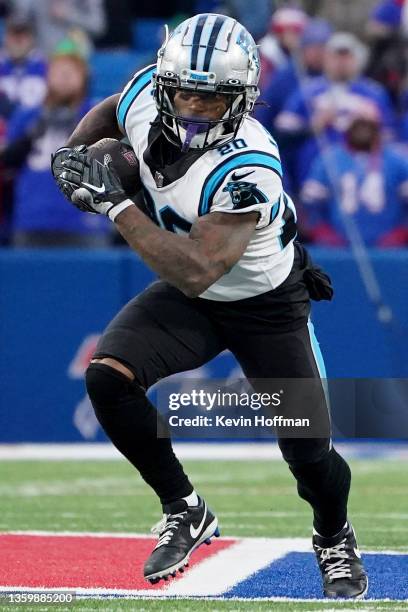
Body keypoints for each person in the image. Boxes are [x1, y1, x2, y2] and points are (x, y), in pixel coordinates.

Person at [51, 13, 368, 598]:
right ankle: (185, 507)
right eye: (185, 92)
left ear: (242, 98)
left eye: (210, 97)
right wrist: (74, 155)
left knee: (309, 453)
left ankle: (335, 536)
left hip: (262, 301)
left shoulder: (249, 165)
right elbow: (114, 107)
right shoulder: (150, 93)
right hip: (195, 291)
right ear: (167, 83)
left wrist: (116, 205)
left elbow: (198, 270)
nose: (194, 107)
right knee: (108, 377)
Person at [5, 53, 110, 246]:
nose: (64, 76)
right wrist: (32, 134)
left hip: (84, 218)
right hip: (33, 216)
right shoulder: (27, 116)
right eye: (59, 70)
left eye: (71, 71)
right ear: (47, 76)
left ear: (84, 77)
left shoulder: (97, 113)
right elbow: (8, 163)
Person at [275, 31, 395, 193]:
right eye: (336, 57)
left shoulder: (374, 93)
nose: (341, 63)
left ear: (357, 60)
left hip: (362, 179)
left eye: (347, 57)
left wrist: (371, 126)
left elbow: (391, 139)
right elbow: (282, 135)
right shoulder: (307, 91)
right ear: (326, 59)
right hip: (312, 173)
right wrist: (313, 126)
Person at [301, 110, 408, 247]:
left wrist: (401, 232)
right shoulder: (329, 159)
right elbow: (310, 206)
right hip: (340, 251)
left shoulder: (397, 160)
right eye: (357, 121)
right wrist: (323, 232)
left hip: (389, 251)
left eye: (366, 121)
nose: (362, 127)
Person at [0, 16, 47, 109]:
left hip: (35, 121)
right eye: (14, 34)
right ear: (5, 37)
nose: (18, 39)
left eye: (23, 34)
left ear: (32, 38)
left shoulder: (44, 66)